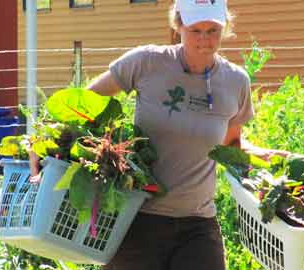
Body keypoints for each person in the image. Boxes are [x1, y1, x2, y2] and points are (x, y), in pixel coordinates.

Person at [86, 1, 288, 269]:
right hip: (136, 219)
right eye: (196, 30)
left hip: (198, 224)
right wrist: (44, 144)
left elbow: (230, 145)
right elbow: (83, 103)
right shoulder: (146, 62)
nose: (205, 40)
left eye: (213, 30)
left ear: (225, 27)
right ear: (178, 24)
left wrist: (270, 158)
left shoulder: (235, 81)